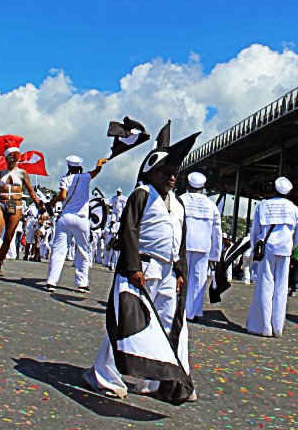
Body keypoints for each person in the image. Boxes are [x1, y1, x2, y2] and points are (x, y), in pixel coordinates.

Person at [85, 128, 198, 404]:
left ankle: (159, 381)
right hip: (144, 269)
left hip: (169, 272)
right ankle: (104, 374)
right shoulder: (142, 194)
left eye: (175, 172)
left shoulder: (179, 203)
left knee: (171, 325)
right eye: (166, 171)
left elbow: (180, 239)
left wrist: (181, 270)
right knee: (128, 322)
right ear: (153, 173)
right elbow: (129, 232)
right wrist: (133, 267)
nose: (172, 177)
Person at [245, 177, 298, 338]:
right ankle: (277, 327)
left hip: (267, 249)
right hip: (284, 250)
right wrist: (291, 246)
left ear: (273, 189)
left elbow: (255, 230)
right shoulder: (293, 208)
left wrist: (254, 249)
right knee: (281, 288)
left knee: (265, 286)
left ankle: (263, 326)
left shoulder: (263, 205)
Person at [45, 155, 107, 292]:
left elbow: (62, 196)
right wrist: (99, 162)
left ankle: (51, 281)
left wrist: (52, 202)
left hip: (66, 217)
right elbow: (96, 171)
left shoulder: (65, 179)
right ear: (80, 166)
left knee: (59, 251)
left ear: (68, 166)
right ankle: (82, 284)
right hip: (82, 218)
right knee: (83, 251)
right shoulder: (85, 177)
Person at [0, 148, 43, 278]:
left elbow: (30, 191)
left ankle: (0, 261)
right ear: (6, 159)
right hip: (1, 203)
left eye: (14, 158)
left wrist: (37, 203)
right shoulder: (0, 173)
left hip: (15, 204)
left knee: (8, 237)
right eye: (9, 158)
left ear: (18, 159)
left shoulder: (22, 173)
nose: (12, 160)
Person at [180, 172, 223, 322]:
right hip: (203, 246)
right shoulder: (211, 205)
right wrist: (215, 255)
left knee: (180, 277)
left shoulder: (180, 200)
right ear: (203, 187)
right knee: (198, 280)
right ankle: (193, 312)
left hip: (182, 245)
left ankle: (178, 308)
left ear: (187, 184)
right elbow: (217, 232)